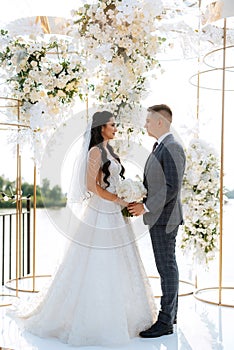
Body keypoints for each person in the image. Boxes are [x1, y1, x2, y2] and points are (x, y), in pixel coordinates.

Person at [9, 111, 156, 347]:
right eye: (112, 125)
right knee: (98, 260)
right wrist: (119, 200)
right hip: (102, 212)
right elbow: (91, 186)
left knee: (121, 261)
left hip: (116, 215)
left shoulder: (110, 151)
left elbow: (113, 182)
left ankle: (126, 316)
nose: (115, 128)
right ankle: (92, 321)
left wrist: (129, 192)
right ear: (101, 128)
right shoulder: (95, 152)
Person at [128, 104, 186, 338]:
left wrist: (146, 206)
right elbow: (157, 183)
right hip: (160, 218)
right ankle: (170, 316)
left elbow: (172, 187)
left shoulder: (172, 147)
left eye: (149, 121)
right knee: (166, 267)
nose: (145, 125)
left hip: (166, 218)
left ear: (161, 122)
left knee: (167, 268)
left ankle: (165, 322)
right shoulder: (160, 147)